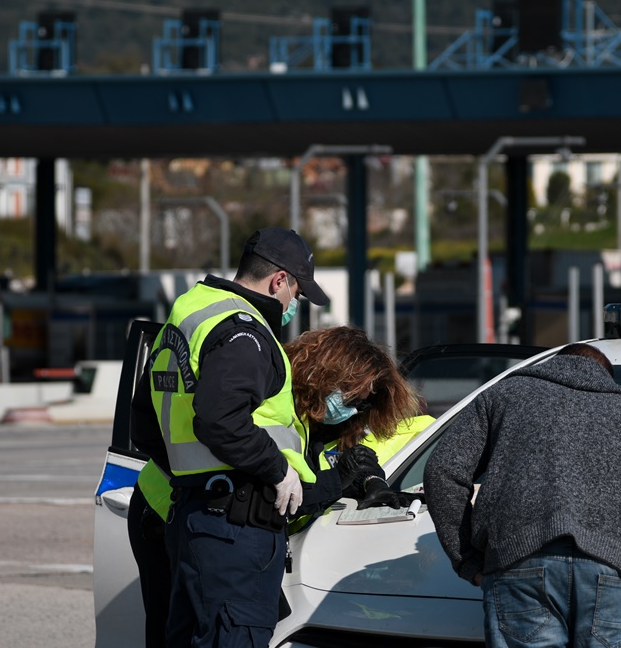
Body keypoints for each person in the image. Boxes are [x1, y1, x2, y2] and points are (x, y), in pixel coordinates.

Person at [423, 343, 621, 648]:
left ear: (551, 365)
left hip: (519, 562)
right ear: (607, 378)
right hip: (610, 571)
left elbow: (443, 470)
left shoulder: (502, 397)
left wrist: (468, 560)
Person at [135, 227, 333, 648]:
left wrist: (195, 482)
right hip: (236, 529)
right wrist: (277, 469)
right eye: (296, 293)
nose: (292, 304)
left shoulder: (189, 312)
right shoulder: (243, 329)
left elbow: (145, 424)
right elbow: (220, 419)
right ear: (279, 280)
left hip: (194, 517)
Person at [284, 325, 434, 531]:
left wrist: (371, 481)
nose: (354, 411)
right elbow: (283, 501)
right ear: (323, 377)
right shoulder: (281, 416)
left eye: (362, 405)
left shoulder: (340, 425)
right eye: (352, 399)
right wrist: (336, 479)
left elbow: (348, 463)